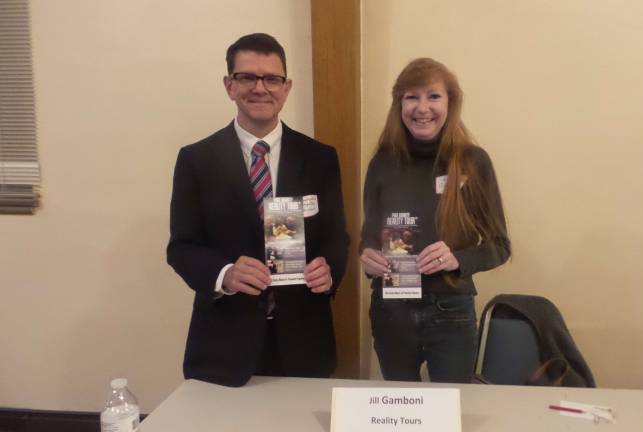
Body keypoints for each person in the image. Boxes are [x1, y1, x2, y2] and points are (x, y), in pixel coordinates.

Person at [167, 33, 349, 387]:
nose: (260, 88)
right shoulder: (196, 160)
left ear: (286, 86)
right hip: (224, 342)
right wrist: (224, 274)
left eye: (271, 78)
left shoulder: (320, 158)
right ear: (229, 85)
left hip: (304, 341)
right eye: (247, 77)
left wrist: (329, 270)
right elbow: (181, 247)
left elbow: (336, 238)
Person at [359, 58, 510, 383]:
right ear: (399, 104)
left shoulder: (473, 161)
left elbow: (500, 246)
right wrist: (367, 257)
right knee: (400, 408)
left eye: (433, 96)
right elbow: (368, 237)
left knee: (449, 410)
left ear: (450, 102)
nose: (422, 108)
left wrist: (458, 257)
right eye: (411, 97)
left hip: (451, 310)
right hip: (391, 310)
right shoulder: (382, 163)